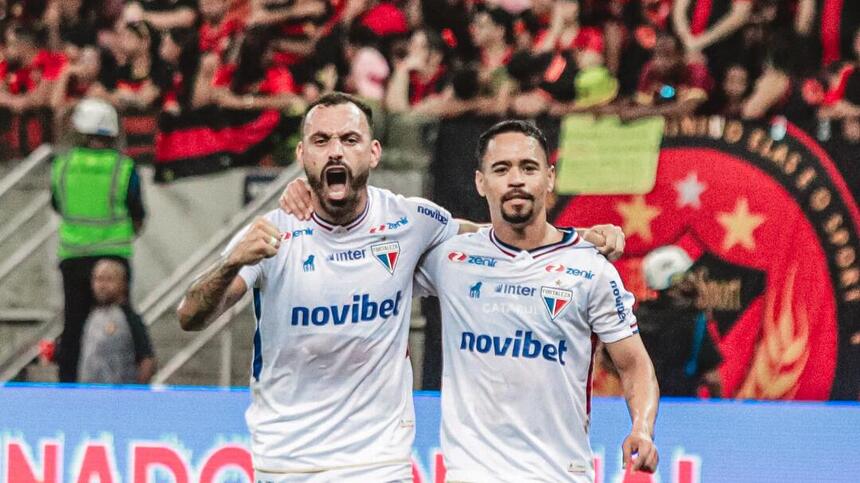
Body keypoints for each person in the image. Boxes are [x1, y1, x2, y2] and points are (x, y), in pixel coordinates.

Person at [178, 92, 625, 482]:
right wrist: (230, 262)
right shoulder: (273, 233)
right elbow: (191, 317)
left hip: (380, 463)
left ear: (373, 153)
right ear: (302, 155)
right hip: (285, 461)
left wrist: (577, 238)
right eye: (322, 141)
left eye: (349, 140)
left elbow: (483, 237)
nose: (336, 152)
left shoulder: (411, 221)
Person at [411, 120, 659, 481]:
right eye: (501, 169)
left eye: (528, 167)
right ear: (481, 182)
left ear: (549, 178)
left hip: (558, 473)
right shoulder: (451, 260)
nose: (516, 179)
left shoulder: (591, 269)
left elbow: (634, 364)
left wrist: (642, 428)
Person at [50, 97, 146, 382]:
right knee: (124, 322)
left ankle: (67, 389)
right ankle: (126, 384)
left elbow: (57, 204)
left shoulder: (63, 165)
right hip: (113, 254)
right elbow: (137, 211)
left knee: (74, 326)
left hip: (73, 255)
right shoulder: (123, 167)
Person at [636, 245, 723, 398]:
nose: (693, 280)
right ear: (675, 281)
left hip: (642, 407)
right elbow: (712, 379)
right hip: (683, 411)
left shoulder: (635, 319)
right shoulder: (693, 321)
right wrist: (720, 410)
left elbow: (611, 361)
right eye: (687, 275)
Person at [78, 259, 156, 384]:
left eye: (109, 279)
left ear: (123, 283)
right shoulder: (92, 316)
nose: (102, 285)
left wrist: (135, 394)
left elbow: (147, 359)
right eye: (98, 279)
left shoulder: (129, 317)